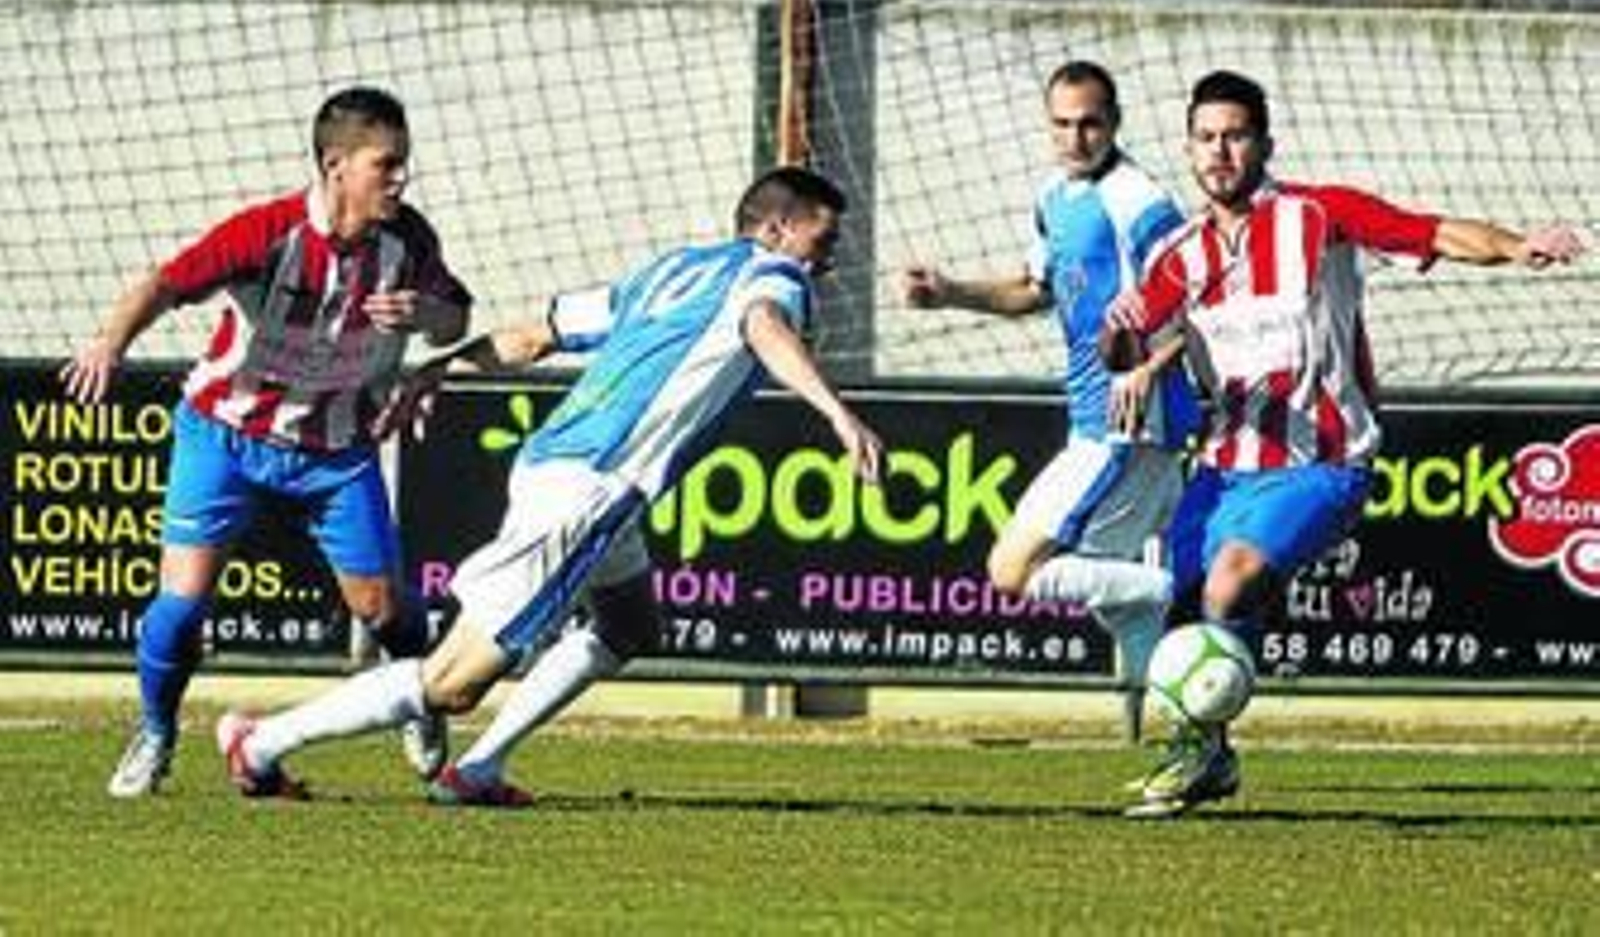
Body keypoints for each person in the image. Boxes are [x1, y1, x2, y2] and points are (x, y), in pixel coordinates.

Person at [213, 166, 884, 807]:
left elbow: (537, 336)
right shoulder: (773, 276)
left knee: (630, 625)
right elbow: (765, 325)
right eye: (819, 243)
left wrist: (441, 368)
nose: (825, 262)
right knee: (452, 684)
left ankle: (478, 769)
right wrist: (836, 412)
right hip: (591, 490)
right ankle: (262, 743)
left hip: (564, 469)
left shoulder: (671, 270)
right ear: (772, 231)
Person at [1105, 69, 1588, 818]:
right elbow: (1123, 348)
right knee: (1181, 611)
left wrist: (1519, 244)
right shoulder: (1178, 256)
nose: (1220, 152)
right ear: (1188, 149)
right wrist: (1118, 330)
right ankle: (1207, 758)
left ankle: (1204, 745)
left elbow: (1433, 231)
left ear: (1264, 142)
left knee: (1229, 584)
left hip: (1324, 463)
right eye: (1206, 138)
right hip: (1225, 468)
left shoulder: (1318, 216)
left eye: (1235, 135)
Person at [60, 86, 474, 798]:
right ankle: (156, 732)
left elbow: (454, 318)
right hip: (224, 437)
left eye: (404, 164)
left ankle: (421, 701)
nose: (401, 179)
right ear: (335, 165)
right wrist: (110, 342)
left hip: (335, 453)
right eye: (387, 165)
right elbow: (166, 281)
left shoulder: (409, 240)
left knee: (380, 607)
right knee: (182, 603)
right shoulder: (266, 232)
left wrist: (425, 311)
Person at [900, 60, 1198, 725]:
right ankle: (1191, 737)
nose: (1075, 137)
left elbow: (1203, 300)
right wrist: (949, 292)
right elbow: (1032, 292)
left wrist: (1152, 365)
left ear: (1114, 123)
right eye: (1062, 124)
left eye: (1090, 123)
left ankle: (1178, 587)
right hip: (1092, 418)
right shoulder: (1054, 197)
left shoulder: (1140, 203)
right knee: (1113, 600)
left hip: (1129, 422)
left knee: (1012, 568)